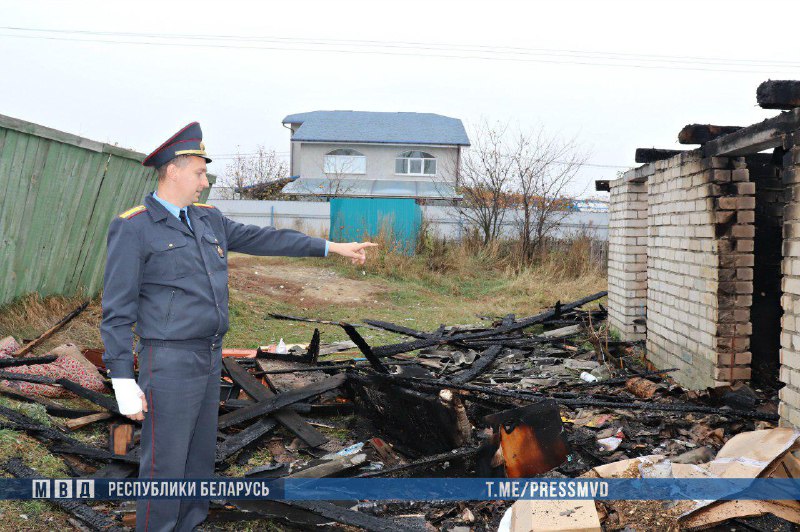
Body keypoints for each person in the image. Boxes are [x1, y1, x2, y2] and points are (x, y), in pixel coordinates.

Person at [100, 122, 376, 532]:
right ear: (172, 170)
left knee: (197, 458)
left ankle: (189, 524)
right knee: (165, 462)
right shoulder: (135, 226)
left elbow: (267, 239)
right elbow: (117, 309)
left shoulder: (208, 219)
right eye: (198, 171)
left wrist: (330, 247)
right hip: (169, 359)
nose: (204, 180)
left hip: (210, 356)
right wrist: (122, 378)